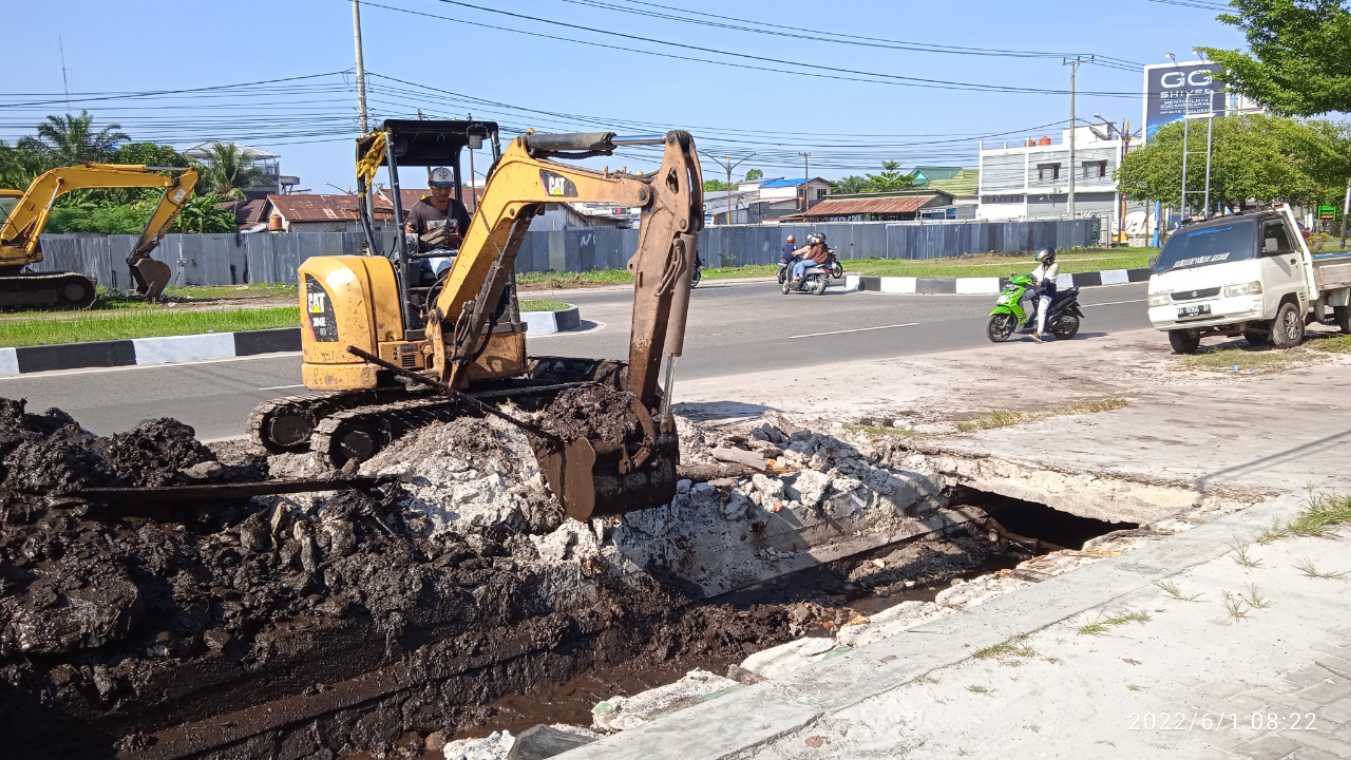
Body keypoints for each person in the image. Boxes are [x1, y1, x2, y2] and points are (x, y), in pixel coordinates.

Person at [404, 167, 472, 281]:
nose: (443, 192)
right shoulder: (419, 209)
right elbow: (410, 241)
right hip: (431, 256)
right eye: (439, 188)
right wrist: (439, 236)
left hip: (456, 253)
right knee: (443, 264)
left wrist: (457, 238)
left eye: (447, 187)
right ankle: (451, 293)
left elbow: (470, 233)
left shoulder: (458, 207)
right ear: (431, 186)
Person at [1029, 248, 1059, 342]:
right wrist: (1020, 277)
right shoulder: (1042, 266)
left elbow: (1047, 280)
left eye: (1043, 258)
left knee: (1041, 310)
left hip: (1048, 292)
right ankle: (1024, 322)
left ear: (1048, 258)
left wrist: (1039, 283)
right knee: (1023, 295)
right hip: (1039, 290)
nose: (1042, 260)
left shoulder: (1054, 266)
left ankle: (1039, 334)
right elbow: (1032, 274)